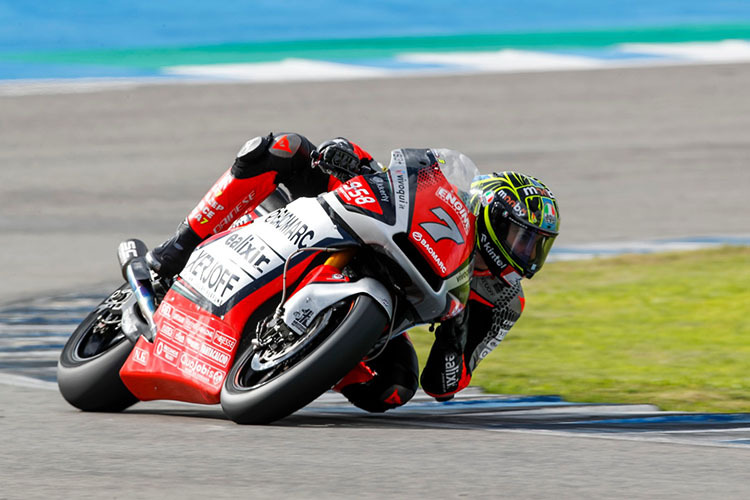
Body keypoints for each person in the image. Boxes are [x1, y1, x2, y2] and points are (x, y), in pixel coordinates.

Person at [147, 132, 560, 412]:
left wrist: (455, 333)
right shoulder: (447, 207)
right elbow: (395, 180)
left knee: (394, 389)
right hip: (343, 225)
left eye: (536, 245)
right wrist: (349, 156)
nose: (526, 252)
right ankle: (175, 251)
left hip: (387, 313)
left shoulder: (504, 300)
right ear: (487, 214)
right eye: (522, 237)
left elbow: (446, 384)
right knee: (282, 147)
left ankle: (310, 359)